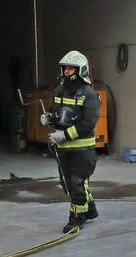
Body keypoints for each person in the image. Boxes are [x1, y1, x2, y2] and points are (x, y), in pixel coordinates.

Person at [43, 50, 101, 234]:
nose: (66, 71)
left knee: (77, 182)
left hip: (82, 148)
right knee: (69, 184)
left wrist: (65, 135)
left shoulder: (89, 94)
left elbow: (87, 123)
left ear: (80, 70)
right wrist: (48, 118)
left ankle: (76, 218)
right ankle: (89, 209)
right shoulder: (59, 90)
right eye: (65, 67)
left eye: (70, 68)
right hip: (63, 148)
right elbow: (58, 113)